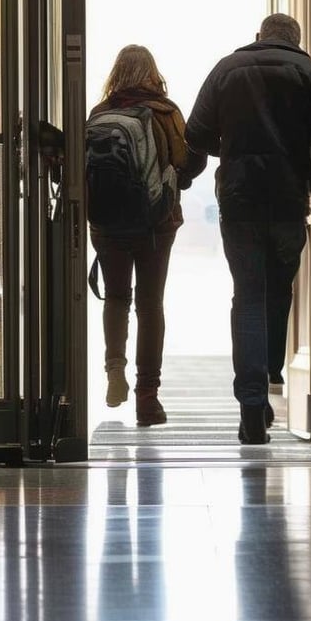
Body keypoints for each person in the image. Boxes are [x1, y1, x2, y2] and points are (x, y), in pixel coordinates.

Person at [185, 14, 311, 444]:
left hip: (240, 199)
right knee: (279, 290)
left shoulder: (226, 70)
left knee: (248, 295)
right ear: (297, 41)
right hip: (290, 199)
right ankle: (270, 370)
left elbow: (194, 134)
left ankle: (252, 405)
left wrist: (231, 149)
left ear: (258, 37)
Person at [88, 45, 206, 426]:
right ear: (152, 73)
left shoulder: (100, 114)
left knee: (116, 297)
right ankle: (147, 397)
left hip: (106, 225)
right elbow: (189, 162)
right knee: (150, 304)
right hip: (155, 225)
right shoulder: (165, 113)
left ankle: (113, 370)